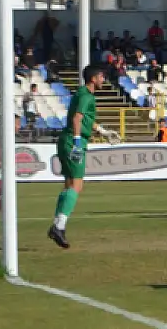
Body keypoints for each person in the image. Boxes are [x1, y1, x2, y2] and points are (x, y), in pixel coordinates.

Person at [48, 65, 120, 249]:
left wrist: (102, 131)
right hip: (73, 141)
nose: (104, 79)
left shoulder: (82, 94)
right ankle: (59, 226)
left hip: (67, 140)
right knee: (77, 185)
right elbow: (77, 118)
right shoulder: (86, 96)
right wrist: (78, 141)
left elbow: (84, 118)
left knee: (68, 185)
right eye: (102, 76)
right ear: (94, 78)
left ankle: (57, 225)